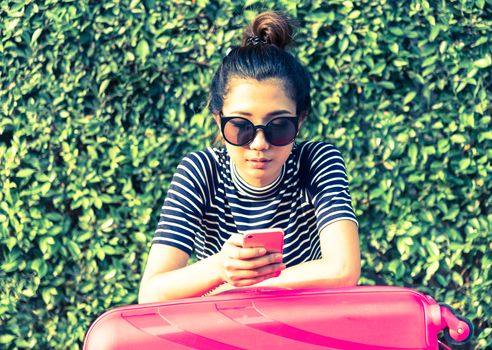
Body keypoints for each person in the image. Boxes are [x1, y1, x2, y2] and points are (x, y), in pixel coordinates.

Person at [138, 11, 360, 303]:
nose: (259, 144)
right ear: (219, 120)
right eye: (241, 127)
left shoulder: (315, 162)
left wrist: (237, 287)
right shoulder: (201, 171)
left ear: (300, 121)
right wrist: (221, 266)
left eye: (279, 126)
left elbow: (344, 269)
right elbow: (151, 293)